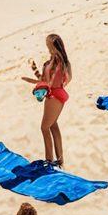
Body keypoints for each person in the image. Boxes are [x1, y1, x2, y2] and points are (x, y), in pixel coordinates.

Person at [24, 35, 71, 166]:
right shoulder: (50, 62)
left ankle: (49, 161)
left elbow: (50, 83)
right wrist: (34, 69)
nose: (47, 46)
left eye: (48, 44)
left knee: (44, 127)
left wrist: (37, 84)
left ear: (54, 46)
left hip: (55, 95)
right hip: (52, 94)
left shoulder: (60, 62)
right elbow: (43, 79)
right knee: (53, 126)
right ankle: (60, 160)